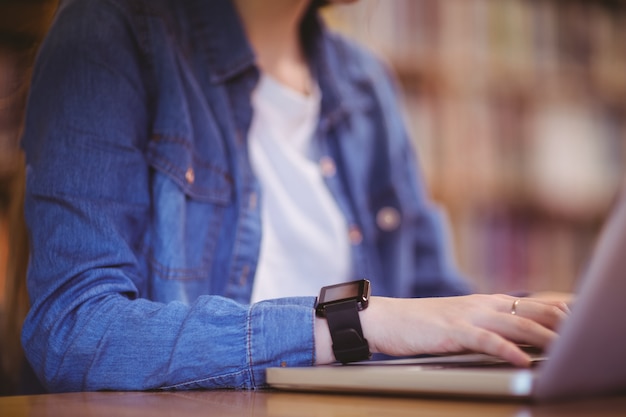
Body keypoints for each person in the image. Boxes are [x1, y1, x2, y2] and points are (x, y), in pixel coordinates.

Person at [20, 0, 568, 393]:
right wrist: (354, 323)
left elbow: (435, 303)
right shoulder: (107, 32)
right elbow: (75, 328)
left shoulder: (364, 81)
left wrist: (539, 316)